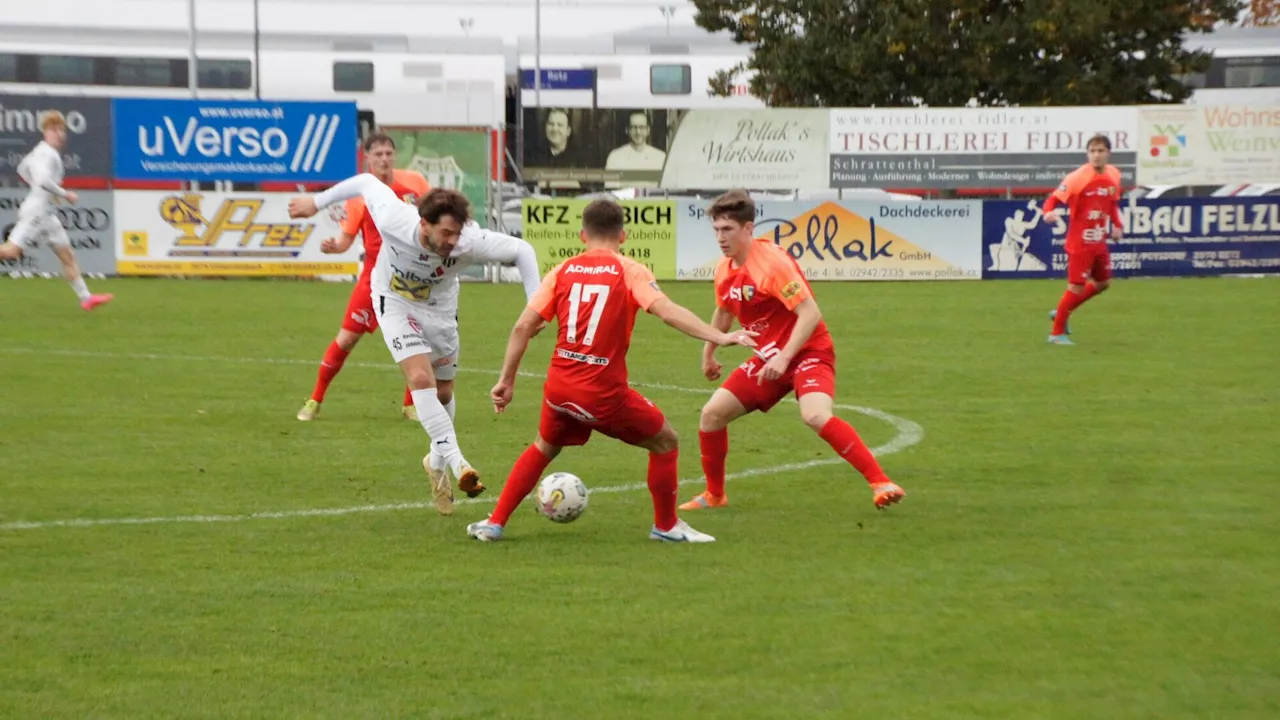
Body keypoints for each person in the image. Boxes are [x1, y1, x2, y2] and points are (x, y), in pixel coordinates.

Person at [466, 198, 758, 543]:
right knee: (666, 441)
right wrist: (720, 336)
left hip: (558, 388)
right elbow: (665, 310)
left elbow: (522, 327)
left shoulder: (563, 270)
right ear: (623, 236)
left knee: (544, 446)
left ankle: (494, 523)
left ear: (582, 235)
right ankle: (666, 527)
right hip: (600, 392)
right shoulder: (629, 269)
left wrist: (506, 381)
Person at [288, 177, 542, 516]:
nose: (453, 242)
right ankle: (457, 462)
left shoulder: (469, 242)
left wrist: (534, 308)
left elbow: (522, 251)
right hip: (393, 302)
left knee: (444, 392)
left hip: (440, 311)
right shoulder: (395, 218)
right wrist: (316, 202)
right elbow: (365, 181)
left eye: (457, 233)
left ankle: (435, 462)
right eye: (446, 234)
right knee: (420, 380)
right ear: (424, 224)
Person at [678, 190, 906, 512]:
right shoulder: (724, 268)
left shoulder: (771, 264)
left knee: (815, 415)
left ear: (747, 228)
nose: (720, 237)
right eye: (716, 230)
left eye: (727, 229)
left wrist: (785, 357)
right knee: (712, 415)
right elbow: (725, 312)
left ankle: (881, 482)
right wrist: (709, 353)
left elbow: (810, 313)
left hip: (808, 351)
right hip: (770, 358)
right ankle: (715, 496)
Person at [297, 132, 429, 422]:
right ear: (367, 158)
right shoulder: (359, 199)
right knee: (345, 341)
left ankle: (411, 406)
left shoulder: (415, 184)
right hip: (372, 281)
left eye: (388, 153)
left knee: (416, 340)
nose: (384, 159)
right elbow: (346, 241)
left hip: (409, 280)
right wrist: (334, 247)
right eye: (378, 154)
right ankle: (315, 399)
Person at [0, 111, 112, 311]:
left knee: (67, 255)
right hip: (37, 212)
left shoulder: (39, 151)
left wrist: (42, 188)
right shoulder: (47, 154)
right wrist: (64, 193)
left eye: (61, 130)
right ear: (45, 132)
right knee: (11, 251)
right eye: (54, 130)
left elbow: (22, 170)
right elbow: (42, 181)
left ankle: (86, 298)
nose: (59, 134)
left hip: (47, 214)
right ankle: (85, 297)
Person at [1043, 134, 1124, 345]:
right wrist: (1048, 212)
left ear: (1108, 153)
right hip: (1080, 243)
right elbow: (1052, 199)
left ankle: (1062, 311)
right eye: (1092, 151)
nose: (1096, 156)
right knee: (1076, 287)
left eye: (1100, 151)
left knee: (1103, 283)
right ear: (1088, 154)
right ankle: (1056, 333)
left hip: (1099, 241)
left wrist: (1117, 225)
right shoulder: (1077, 177)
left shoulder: (1114, 174)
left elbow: (1111, 203)